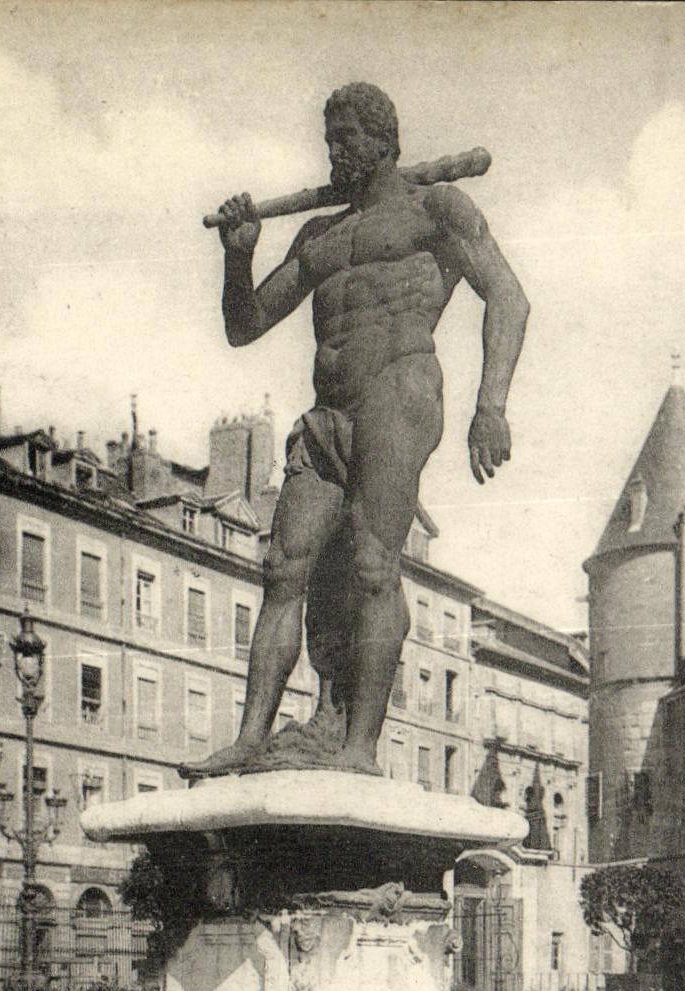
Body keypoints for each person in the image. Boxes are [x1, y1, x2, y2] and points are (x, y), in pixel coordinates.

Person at [180, 83, 529, 779]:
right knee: (283, 569)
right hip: (327, 413)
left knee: (374, 566)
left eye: (345, 138)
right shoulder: (319, 235)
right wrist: (238, 253)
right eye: (328, 139)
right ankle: (253, 738)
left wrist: (490, 405)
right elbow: (244, 325)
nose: (334, 152)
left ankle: (359, 750)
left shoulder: (436, 208)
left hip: (398, 392)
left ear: (383, 141)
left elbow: (510, 297)